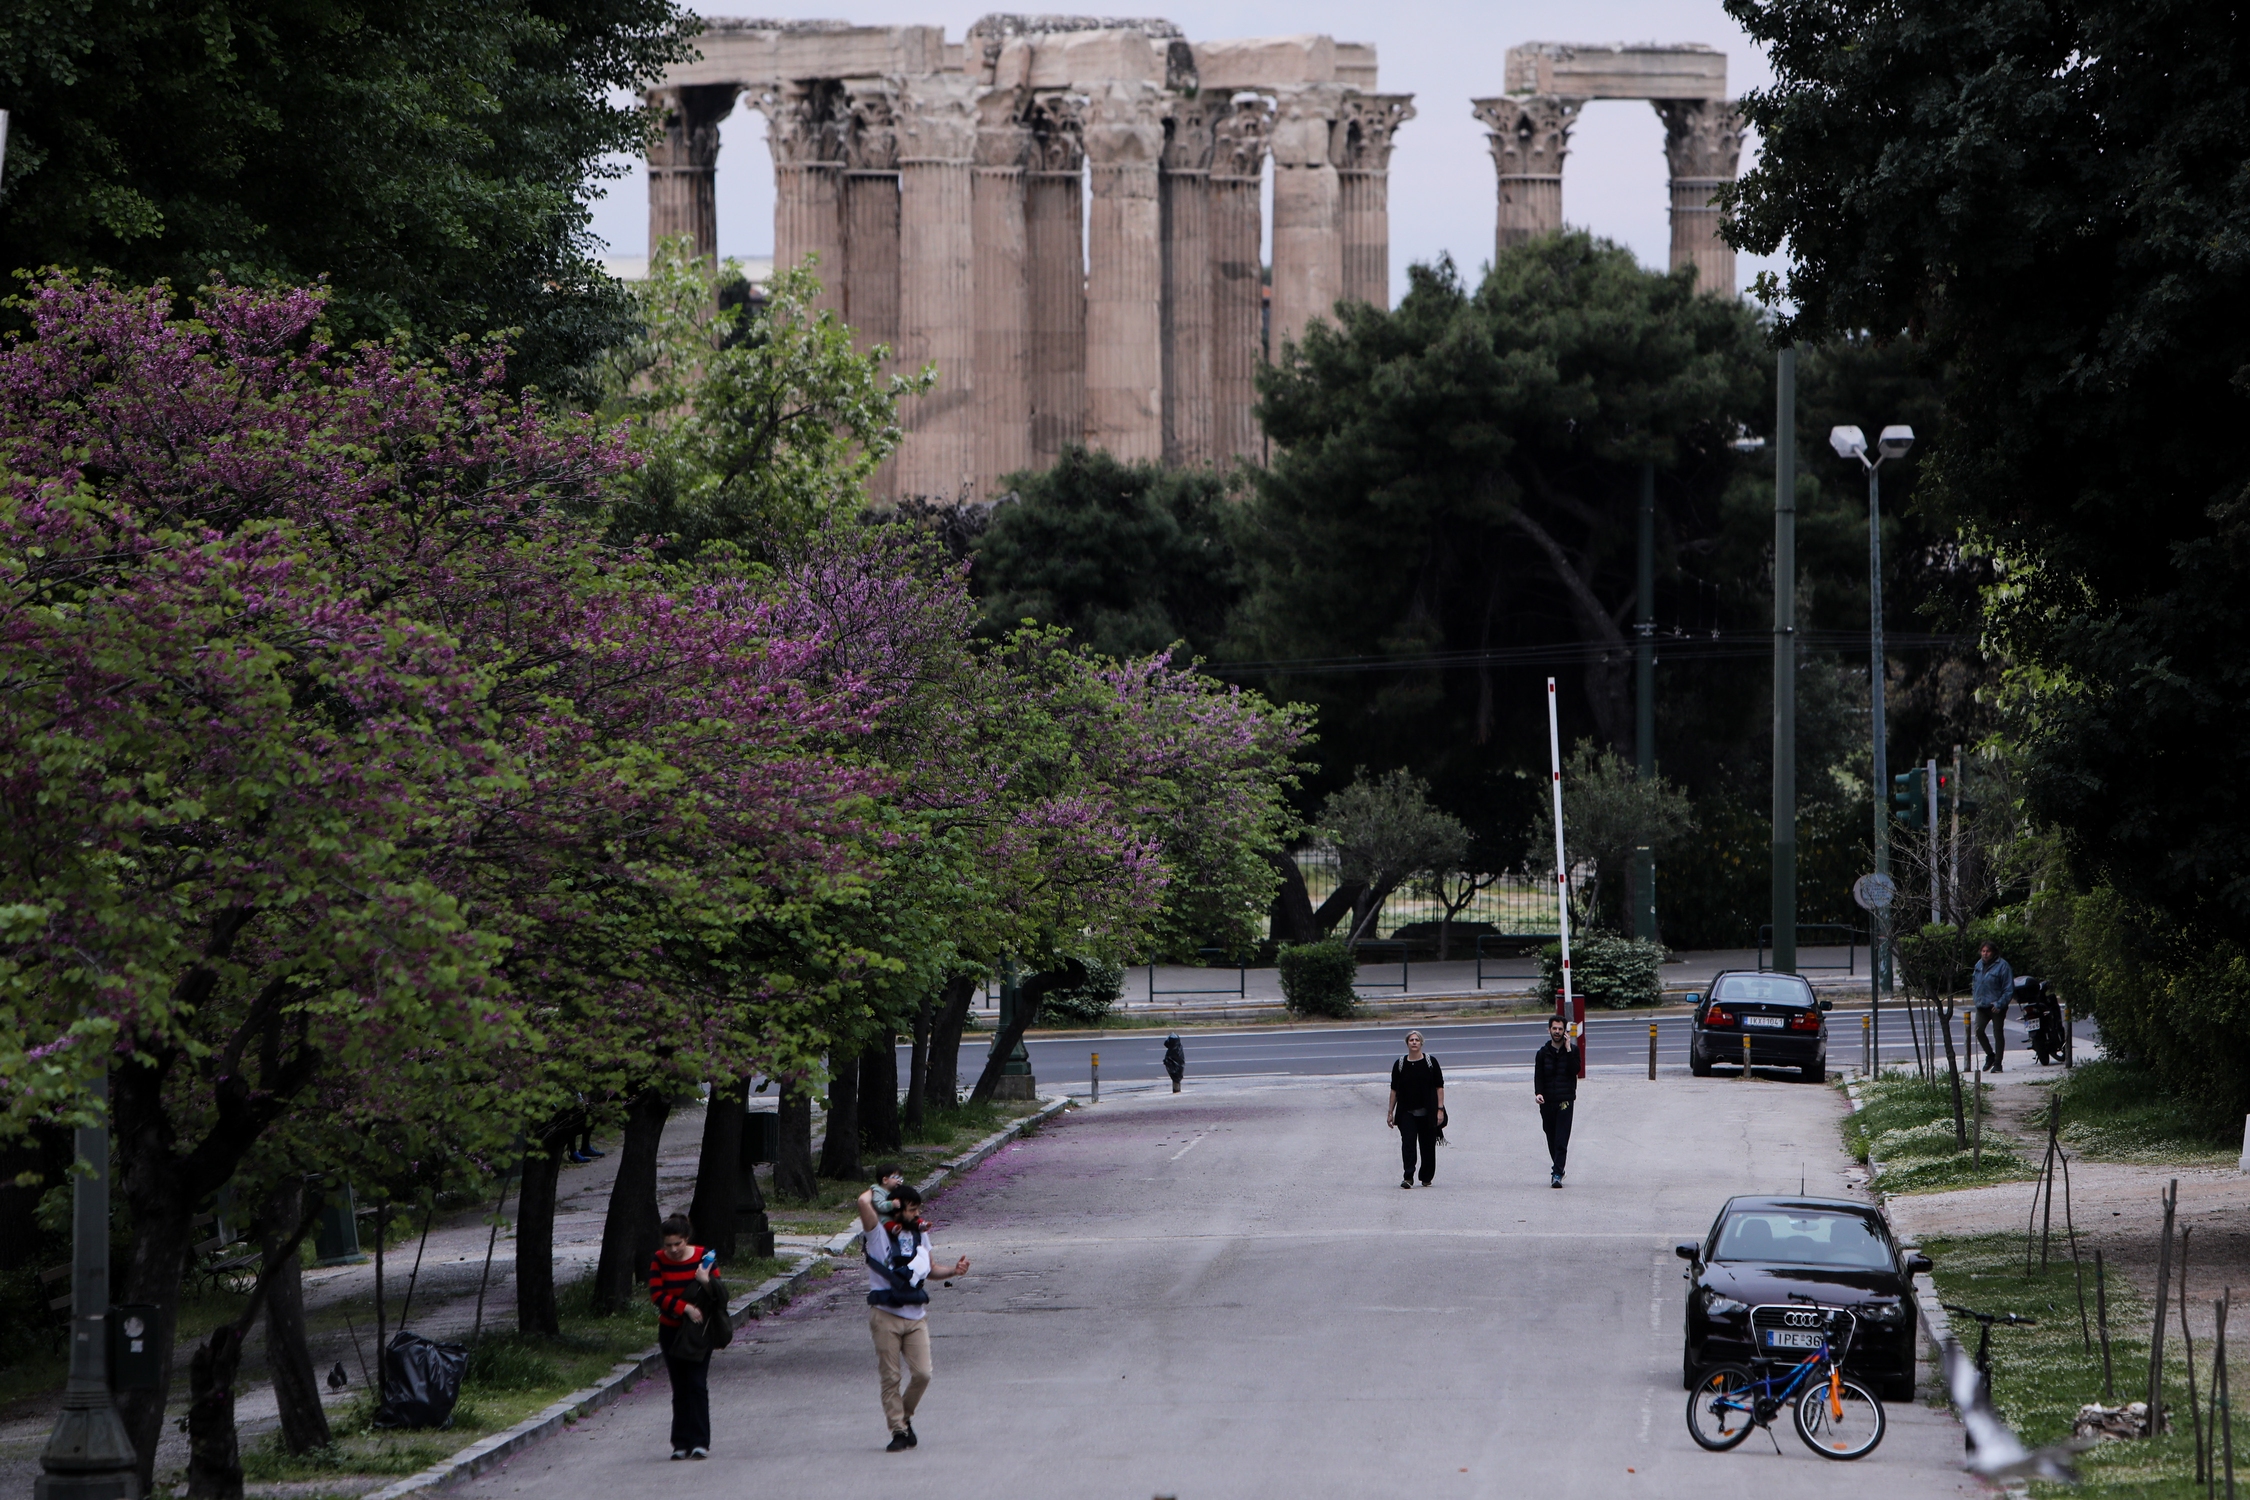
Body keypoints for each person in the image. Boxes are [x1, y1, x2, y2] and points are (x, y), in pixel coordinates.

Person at [858, 1182, 970, 1452]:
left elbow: (929, 1270)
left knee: (923, 1374)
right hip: (885, 1315)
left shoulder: (920, 1235)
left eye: (918, 1209)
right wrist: (881, 1188)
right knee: (891, 1377)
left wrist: (954, 1271)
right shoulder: (876, 1234)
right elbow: (863, 1203)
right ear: (897, 1209)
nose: (917, 1215)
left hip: (915, 1315)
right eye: (911, 1210)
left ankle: (904, 1417)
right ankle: (897, 1430)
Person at [648, 1213, 715, 1460]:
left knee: (697, 1384)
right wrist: (683, 1308)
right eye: (669, 1245)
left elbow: (718, 1293)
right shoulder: (658, 1260)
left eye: (678, 1244)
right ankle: (680, 1443)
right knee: (680, 1387)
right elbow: (656, 1294)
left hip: (698, 1331)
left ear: (686, 1239)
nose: (674, 1250)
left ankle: (700, 1442)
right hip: (671, 1330)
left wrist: (705, 1280)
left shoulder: (704, 1257)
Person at [1387, 1031, 1445, 1189]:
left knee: (1427, 1146)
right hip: (1407, 1112)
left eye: (1417, 1040)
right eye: (1411, 1040)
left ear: (1421, 1043)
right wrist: (1390, 1112)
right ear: (1407, 1043)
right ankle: (1408, 1177)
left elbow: (1439, 1087)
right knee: (1408, 1145)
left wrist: (1440, 1110)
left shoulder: (1430, 1062)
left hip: (1428, 1111)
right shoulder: (1400, 1064)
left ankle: (1426, 1177)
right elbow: (1394, 1090)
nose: (1414, 1042)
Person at [1532, 1015, 1578, 1188]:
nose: (1557, 1032)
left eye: (1560, 1029)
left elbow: (1575, 1070)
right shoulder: (1542, 1053)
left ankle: (1557, 1173)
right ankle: (1559, 1166)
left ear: (1565, 1031)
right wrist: (1538, 1093)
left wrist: (1568, 1049)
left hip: (1565, 1100)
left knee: (1561, 1138)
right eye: (1554, 1028)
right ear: (1549, 1030)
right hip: (1548, 1102)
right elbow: (1539, 1076)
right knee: (1551, 1136)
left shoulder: (1572, 1051)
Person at [1972, 940, 2014, 1072]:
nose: (1985, 954)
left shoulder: (2003, 966)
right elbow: (1975, 983)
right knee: (1978, 1031)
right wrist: (1976, 998)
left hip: (1996, 1006)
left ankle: (1998, 1063)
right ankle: (1990, 1055)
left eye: (1987, 951)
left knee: (1998, 1034)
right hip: (1982, 1005)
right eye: (1983, 951)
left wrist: (2000, 1004)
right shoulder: (1978, 965)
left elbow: (2008, 989)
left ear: (1994, 952)